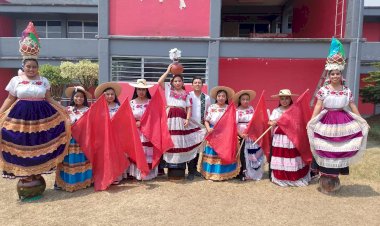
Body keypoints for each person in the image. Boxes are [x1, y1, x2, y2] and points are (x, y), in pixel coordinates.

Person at [0, 22, 70, 200]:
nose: (31, 69)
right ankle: (25, 175)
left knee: (40, 142)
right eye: (28, 67)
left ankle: (38, 174)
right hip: (20, 118)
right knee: (23, 144)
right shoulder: (16, 80)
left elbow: (49, 98)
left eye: (34, 67)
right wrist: (0, 112)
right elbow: (10, 98)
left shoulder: (44, 80)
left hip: (42, 118)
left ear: (37, 67)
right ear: (24, 67)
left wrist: (62, 109)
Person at [307, 38, 369, 193]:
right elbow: (319, 105)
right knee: (325, 147)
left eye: (338, 73)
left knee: (340, 147)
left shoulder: (346, 90)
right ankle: (325, 177)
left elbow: (352, 105)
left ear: (341, 75)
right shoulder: (324, 90)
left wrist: (361, 120)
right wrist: (312, 121)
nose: (335, 76)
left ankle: (334, 178)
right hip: (326, 120)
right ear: (329, 75)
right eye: (333, 73)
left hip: (343, 121)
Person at [158, 65, 206, 179]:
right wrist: (168, 70)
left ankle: (185, 167)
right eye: (175, 81)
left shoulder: (187, 94)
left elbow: (189, 107)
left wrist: (188, 119)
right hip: (170, 116)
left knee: (181, 141)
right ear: (172, 82)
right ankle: (164, 164)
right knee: (169, 140)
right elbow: (159, 81)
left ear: (183, 82)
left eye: (180, 81)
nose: (178, 83)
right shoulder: (169, 89)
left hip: (181, 117)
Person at [268, 89, 310, 187]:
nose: (284, 101)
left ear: (290, 99)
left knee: (291, 155)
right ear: (279, 100)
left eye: (286, 98)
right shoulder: (276, 111)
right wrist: (273, 122)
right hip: (279, 138)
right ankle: (281, 176)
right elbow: (270, 122)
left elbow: (298, 123)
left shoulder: (294, 110)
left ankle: (293, 175)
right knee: (281, 155)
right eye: (282, 99)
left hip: (291, 137)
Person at [55, 86, 93, 192]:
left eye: (81, 97)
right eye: (77, 96)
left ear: (84, 98)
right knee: (70, 160)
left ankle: (84, 181)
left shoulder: (88, 110)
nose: (79, 99)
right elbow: (61, 123)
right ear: (73, 98)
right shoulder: (67, 110)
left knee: (82, 159)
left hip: (84, 140)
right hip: (70, 140)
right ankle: (68, 182)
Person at [201, 86, 240, 181]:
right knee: (213, 153)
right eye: (219, 96)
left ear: (226, 98)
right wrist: (208, 128)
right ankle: (211, 175)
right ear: (216, 97)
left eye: (223, 96)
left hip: (225, 134)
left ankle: (224, 174)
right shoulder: (212, 107)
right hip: (213, 133)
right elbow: (206, 120)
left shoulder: (229, 108)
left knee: (224, 153)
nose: (221, 98)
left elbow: (233, 122)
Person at [94, 82, 125, 184]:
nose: (110, 96)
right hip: (103, 135)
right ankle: (105, 176)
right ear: (103, 95)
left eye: (112, 94)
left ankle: (115, 176)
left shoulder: (119, 107)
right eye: (107, 94)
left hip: (116, 135)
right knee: (104, 155)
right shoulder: (98, 107)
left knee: (115, 155)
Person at [128, 79, 158, 180]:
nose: (141, 92)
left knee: (148, 151)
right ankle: (138, 173)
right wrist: (134, 122)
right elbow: (127, 117)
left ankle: (148, 173)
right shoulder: (131, 103)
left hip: (148, 131)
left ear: (146, 91)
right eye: (139, 89)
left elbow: (155, 117)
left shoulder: (151, 102)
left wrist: (144, 123)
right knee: (138, 150)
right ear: (135, 90)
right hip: (135, 131)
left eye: (143, 90)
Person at [233, 90, 264, 181]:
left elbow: (254, 121)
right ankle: (242, 172)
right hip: (241, 135)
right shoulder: (237, 110)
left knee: (252, 153)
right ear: (240, 100)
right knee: (242, 154)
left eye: (247, 99)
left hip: (251, 135)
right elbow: (234, 124)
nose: (246, 101)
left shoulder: (251, 108)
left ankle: (252, 173)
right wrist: (240, 134)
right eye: (243, 99)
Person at [186, 76, 210, 180]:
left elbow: (208, 112)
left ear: (202, 84)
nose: (197, 84)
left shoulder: (207, 97)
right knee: (190, 149)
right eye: (195, 82)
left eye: (199, 83)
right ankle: (190, 171)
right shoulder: (188, 96)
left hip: (201, 126)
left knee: (198, 149)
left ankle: (195, 169)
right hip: (189, 126)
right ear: (192, 85)